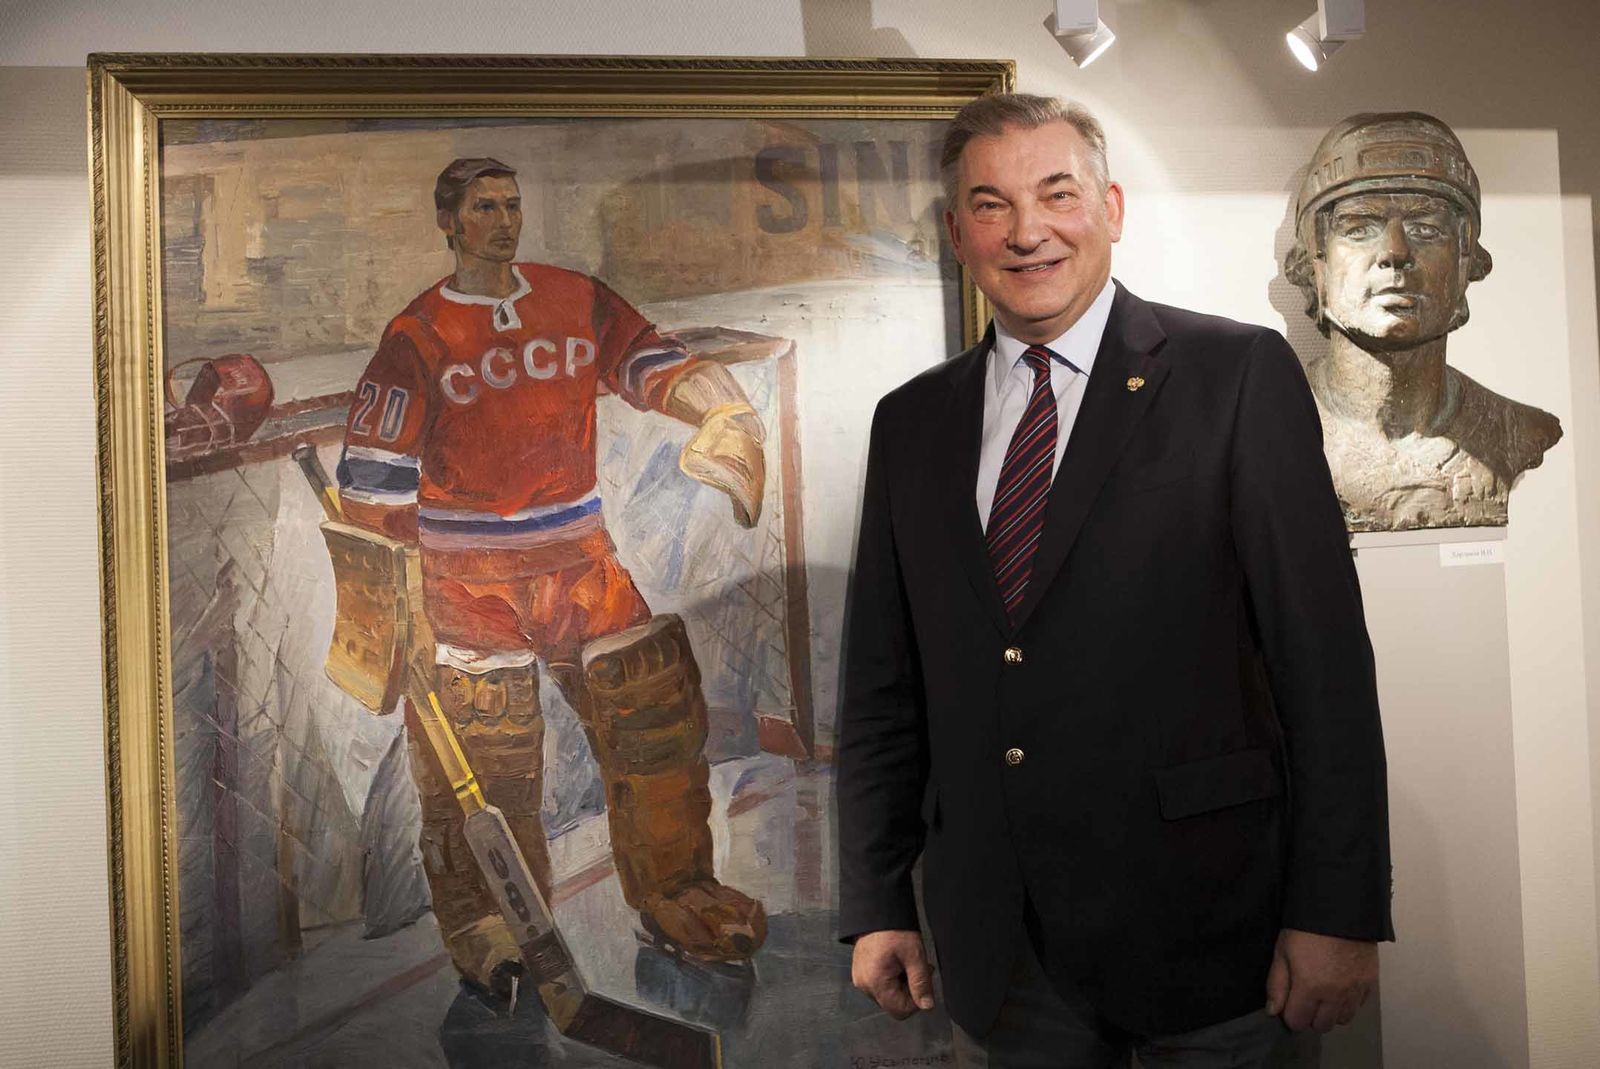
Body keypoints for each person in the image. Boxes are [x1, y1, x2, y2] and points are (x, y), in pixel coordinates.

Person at [837, 95, 1393, 1066]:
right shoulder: (911, 422)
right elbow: (883, 688)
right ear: (957, 232)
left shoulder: (1235, 375)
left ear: (1111, 208)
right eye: (991, 204)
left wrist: (1337, 909)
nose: (1028, 231)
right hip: (1007, 957)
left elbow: (1325, 667)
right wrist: (877, 900)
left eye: (1057, 194)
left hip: (1213, 942)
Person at [337, 156, 769, 998]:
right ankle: (493, 928)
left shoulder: (574, 298)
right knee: (486, 765)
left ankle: (680, 892)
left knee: (654, 717)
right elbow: (372, 484)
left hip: (580, 564)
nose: (503, 220)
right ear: (449, 223)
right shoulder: (417, 334)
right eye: (483, 207)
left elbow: (655, 363)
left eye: (511, 204)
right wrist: (394, 613)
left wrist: (723, 411)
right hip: (467, 584)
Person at [1284, 112, 1562, 531]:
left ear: (1465, 259)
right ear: (1314, 261)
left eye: (1426, 229)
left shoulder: (1516, 430)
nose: (1395, 252)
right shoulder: (1275, 429)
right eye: (1359, 228)